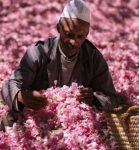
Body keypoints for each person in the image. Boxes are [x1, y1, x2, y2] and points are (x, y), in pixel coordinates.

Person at [0, 0, 128, 131]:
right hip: (38, 120)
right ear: (58, 28)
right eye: (69, 35)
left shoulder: (93, 57)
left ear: (87, 34)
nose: (74, 42)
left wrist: (94, 99)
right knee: (8, 124)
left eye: (80, 36)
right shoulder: (39, 52)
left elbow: (111, 97)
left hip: (73, 127)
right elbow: (9, 85)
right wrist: (21, 96)